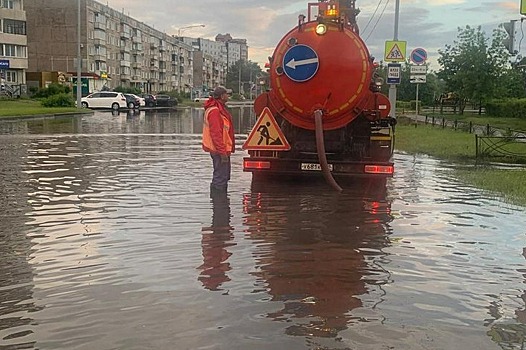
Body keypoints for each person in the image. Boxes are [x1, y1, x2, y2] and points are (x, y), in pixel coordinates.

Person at [202, 86, 235, 195]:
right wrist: (222, 153)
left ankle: (218, 205)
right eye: (226, 94)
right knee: (220, 178)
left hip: (220, 149)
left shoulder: (217, 109)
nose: (228, 96)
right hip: (219, 150)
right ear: (222, 96)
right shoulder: (215, 111)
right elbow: (216, 134)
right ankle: (219, 203)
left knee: (222, 176)